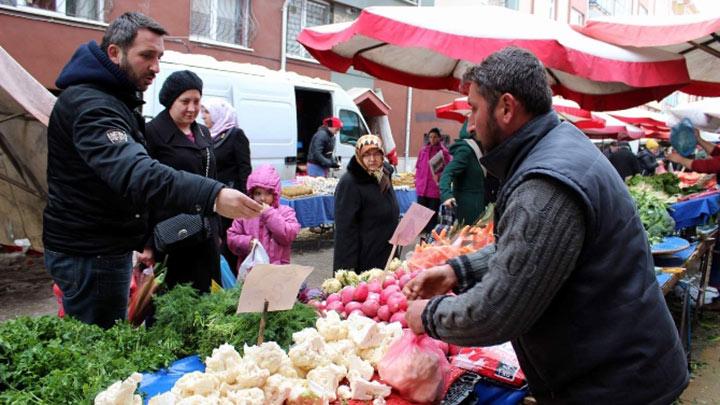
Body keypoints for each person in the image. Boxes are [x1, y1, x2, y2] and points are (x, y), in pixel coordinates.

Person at [403, 47, 688, 403]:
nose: (470, 125)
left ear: (506, 107)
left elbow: (496, 313)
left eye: (474, 109)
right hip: (620, 371)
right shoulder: (557, 146)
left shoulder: (545, 183)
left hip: (615, 385)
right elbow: (535, 248)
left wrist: (427, 316)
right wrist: (456, 271)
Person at [43, 12, 262, 329]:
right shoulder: (93, 106)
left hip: (106, 248)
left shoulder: (114, 100)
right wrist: (213, 194)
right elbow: (137, 172)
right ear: (115, 53)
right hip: (91, 253)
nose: (156, 67)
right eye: (147, 56)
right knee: (99, 351)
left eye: (159, 57)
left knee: (107, 342)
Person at [144, 70, 222, 292]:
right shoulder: (152, 133)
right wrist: (147, 243)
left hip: (205, 231)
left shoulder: (203, 133)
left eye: (196, 101)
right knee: (173, 300)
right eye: (184, 101)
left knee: (207, 295)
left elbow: (212, 180)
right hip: (170, 234)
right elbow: (145, 190)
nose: (192, 108)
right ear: (170, 101)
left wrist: (217, 230)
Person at [334, 135, 399, 272]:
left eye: (376, 154)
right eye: (366, 155)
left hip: (386, 253)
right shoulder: (350, 183)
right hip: (365, 259)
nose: (372, 159)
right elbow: (345, 230)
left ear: (382, 155)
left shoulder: (383, 176)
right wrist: (347, 270)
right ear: (359, 156)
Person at [201, 98, 252, 272]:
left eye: (206, 112)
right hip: (213, 198)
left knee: (228, 242)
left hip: (232, 200)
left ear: (218, 113)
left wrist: (246, 199)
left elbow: (245, 169)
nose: (203, 116)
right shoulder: (207, 135)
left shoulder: (236, 135)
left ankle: (230, 278)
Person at [227, 165, 301, 267]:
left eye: (268, 193)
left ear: (275, 194)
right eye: (258, 193)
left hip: (277, 271)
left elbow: (288, 235)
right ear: (252, 194)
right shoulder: (244, 213)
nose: (262, 198)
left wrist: (269, 214)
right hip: (251, 271)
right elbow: (232, 238)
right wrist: (248, 242)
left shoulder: (285, 212)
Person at [439, 121, 486, 225]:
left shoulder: (480, 148)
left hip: (479, 204)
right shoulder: (466, 150)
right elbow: (447, 173)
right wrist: (446, 195)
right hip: (468, 208)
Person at [415, 128, 451, 235]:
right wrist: (417, 181)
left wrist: (439, 176)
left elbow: (448, 169)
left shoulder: (443, 152)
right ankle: (420, 232)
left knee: (432, 214)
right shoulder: (423, 151)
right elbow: (418, 167)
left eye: (435, 137)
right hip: (422, 188)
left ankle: (431, 235)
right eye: (430, 137)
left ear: (440, 138)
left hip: (434, 189)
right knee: (420, 213)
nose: (432, 139)